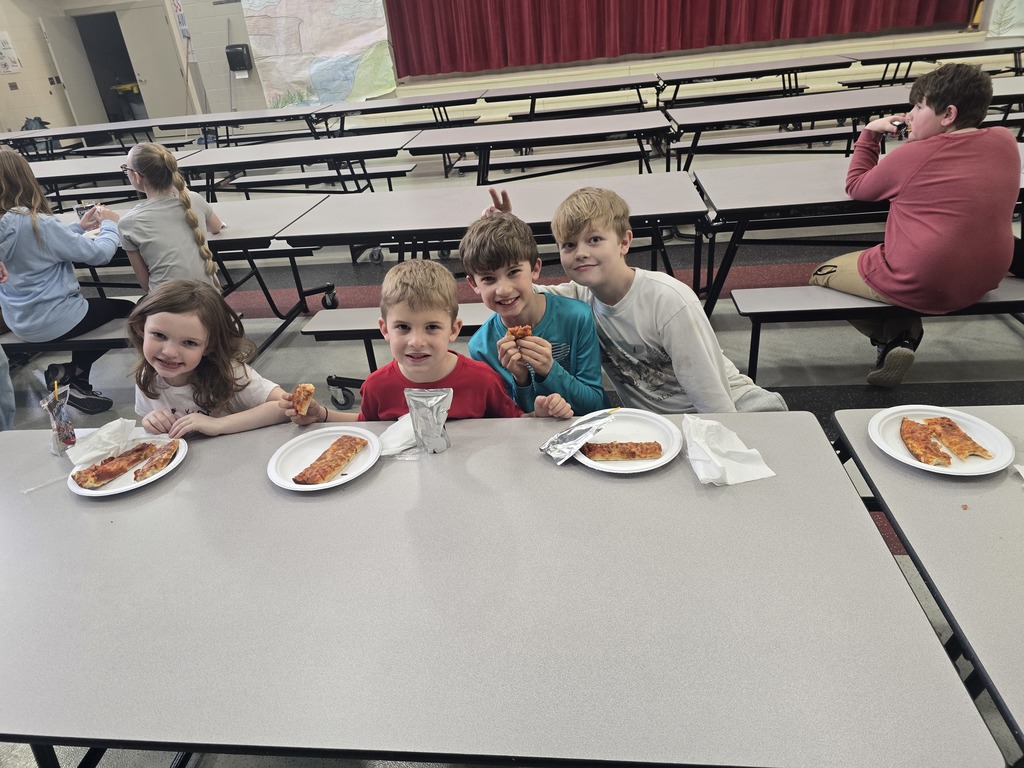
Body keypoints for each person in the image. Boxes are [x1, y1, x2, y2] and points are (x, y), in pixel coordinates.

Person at [485, 186, 787, 414]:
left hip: (740, 411)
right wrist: (503, 236)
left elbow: (714, 401)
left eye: (594, 240)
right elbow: (517, 288)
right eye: (568, 244)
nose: (580, 253)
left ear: (624, 242)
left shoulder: (669, 302)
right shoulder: (577, 297)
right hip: (661, 425)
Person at [809, 63, 1020, 387]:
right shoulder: (1004, 140)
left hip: (925, 280)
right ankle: (900, 336)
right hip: (986, 277)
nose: (910, 114)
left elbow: (857, 186)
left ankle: (896, 336)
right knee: (911, 259)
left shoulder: (913, 155)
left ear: (947, 114)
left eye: (918, 107)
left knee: (824, 274)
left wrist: (871, 131)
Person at [282, 260, 573, 423]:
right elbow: (369, 429)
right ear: (384, 329)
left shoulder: (484, 380)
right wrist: (322, 416)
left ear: (454, 329)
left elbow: (512, 425)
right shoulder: (376, 387)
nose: (416, 341)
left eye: (432, 327)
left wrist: (540, 415)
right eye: (403, 327)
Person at [0, 146, 132, 414]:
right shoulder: (37, 223)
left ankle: (72, 377)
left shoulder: (11, 223)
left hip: (19, 320)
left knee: (105, 308)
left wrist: (77, 228)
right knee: (132, 312)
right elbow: (99, 254)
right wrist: (110, 225)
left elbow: (39, 246)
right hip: (56, 320)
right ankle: (75, 374)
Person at [458, 211, 609, 414]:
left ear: (535, 269)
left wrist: (549, 369)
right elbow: (510, 417)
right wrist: (521, 379)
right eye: (488, 279)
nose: (503, 289)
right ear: (473, 284)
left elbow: (595, 405)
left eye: (513, 272)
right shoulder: (481, 347)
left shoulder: (577, 317)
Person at [127, 279, 288, 437]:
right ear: (141, 328)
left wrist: (218, 424)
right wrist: (152, 421)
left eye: (189, 342)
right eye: (159, 335)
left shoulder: (231, 372)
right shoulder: (146, 377)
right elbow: (157, 430)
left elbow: (287, 406)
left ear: (209, 346)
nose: (169, 352)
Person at [118, 142, 223, 293]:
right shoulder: (193, 199)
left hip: (168, 302)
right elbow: (216, 227)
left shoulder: (128, 223)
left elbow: (146, 284)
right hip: (211, 298)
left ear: (137, 176)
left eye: (126, 169)